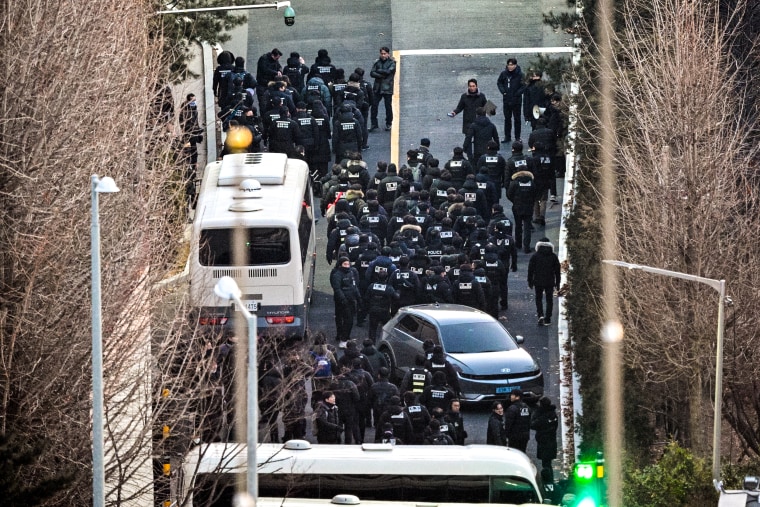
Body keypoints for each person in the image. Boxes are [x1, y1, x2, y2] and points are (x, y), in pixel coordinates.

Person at [527, 237, 561, 326]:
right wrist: (558, 283)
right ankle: (548, 318)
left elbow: (530, 270)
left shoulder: (535, 256)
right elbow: (557, 271)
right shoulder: (553, 256)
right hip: (550, 281)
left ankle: (540, 315)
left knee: (538, 298)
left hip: (538, 281)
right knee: (549, 300)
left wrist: (530, 281)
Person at [330, 256, 361, 348]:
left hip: (351, 300)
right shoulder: (337, 275)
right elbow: (337, 289)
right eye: (345, 264)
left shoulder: (351, 273)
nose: (347, 266)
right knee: (347, 320)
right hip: (343, 302)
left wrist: (359, 298)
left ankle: (345, 337)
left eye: (348, 264)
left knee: (349, 320)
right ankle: (343, 339)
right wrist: (343, 299)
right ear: (340, 264)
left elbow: (354, 287)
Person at [506, 167, 537, 253]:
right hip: (528, 207)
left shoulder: (514, 183)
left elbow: (509, 194)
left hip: (517, 207)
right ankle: (526, 246)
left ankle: (518, 244)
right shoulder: (531, 183)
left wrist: (515, 201)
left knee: (518, 226)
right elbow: (535, 194)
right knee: (527, 226)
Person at [496, 58, 525, 143]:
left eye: (512, 65)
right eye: (509, 65)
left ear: (515, 65)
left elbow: (524, 85)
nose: (510, 67)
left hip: (516, 100)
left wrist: (517, 93)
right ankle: (507, 136)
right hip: (507, 99)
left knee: (517, 119)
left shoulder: (520, 75)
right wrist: (503, 92)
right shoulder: (504, 74)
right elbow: (499, 82)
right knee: (507, 119)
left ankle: (517, 137)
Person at [531, 396, 559, 480]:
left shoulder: (543, 417)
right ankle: (550, 479)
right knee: (548, 463)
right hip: (551, 441)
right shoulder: (553, 415)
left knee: (546, 464)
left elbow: (533, 424)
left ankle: (548, 480)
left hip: (544, 442)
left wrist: (538, 414)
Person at [370, 47, 396, 131]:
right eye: (382, 53)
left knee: (388, 106)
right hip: (378, 88)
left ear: (388, 54)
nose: (383, 55)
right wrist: (381, 75)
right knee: (374, 106)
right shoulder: (377, 62)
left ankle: (389, 123)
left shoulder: (392, 63)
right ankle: (374, 123)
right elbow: (372, 73)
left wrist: (378, 71)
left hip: (387, 88)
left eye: (385, 53)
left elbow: (389, 72)